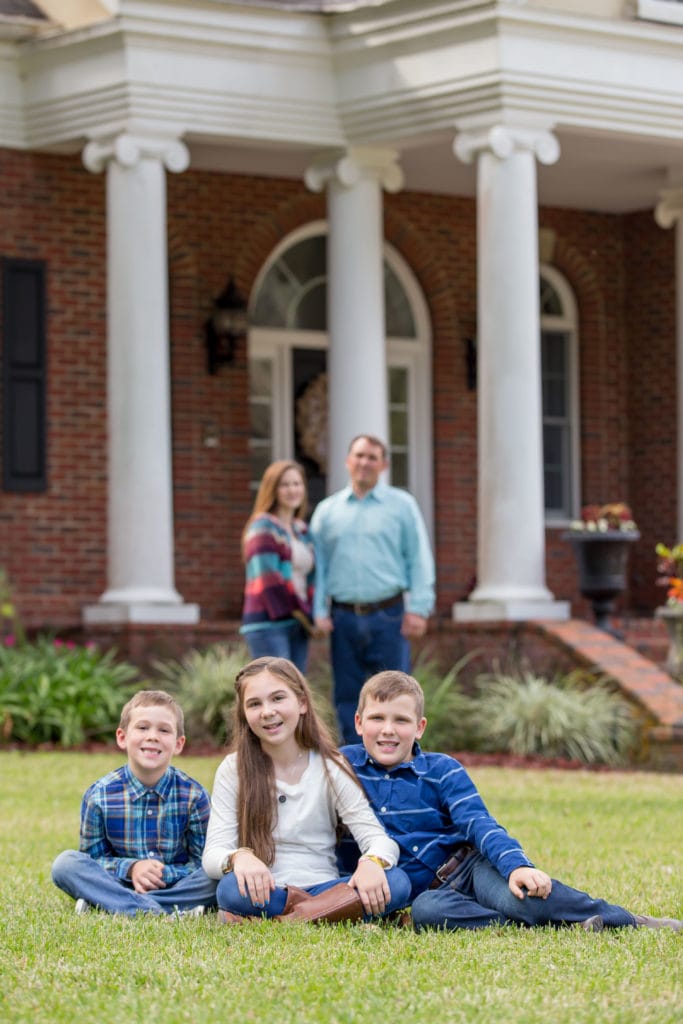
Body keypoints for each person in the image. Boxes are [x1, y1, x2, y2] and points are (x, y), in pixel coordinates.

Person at [341, 670, 682, 933]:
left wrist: (518, 866)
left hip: (467, 869)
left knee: (522, 899)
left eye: (401, 720)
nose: (388, 730)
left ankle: (625, 919)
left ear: (420, 728)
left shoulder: (441, 769)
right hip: (426, 895)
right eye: (377, 718)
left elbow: (480, 824)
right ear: (358, 723)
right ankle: (527, 927)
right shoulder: (341, 768)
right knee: (428, 914)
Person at [202, 656, 411, 924]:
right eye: (255, 704)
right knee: (230, 890)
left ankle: (289, 920)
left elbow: (378, 839)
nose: (267, 711)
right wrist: (239, 858)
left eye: (278, 698)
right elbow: (213, 855)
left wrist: (372, 861)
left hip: (328, 887)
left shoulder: (329, 765)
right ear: (244, 713)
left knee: (396, 881)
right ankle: (335, 915)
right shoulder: (234, 769)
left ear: (302, 703)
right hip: (270, 891)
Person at [310, 434, 435, 743]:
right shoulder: (327, 512)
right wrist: (318, 611)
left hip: (389, 614)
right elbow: (319, 567)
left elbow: (418, 557)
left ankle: (400, 762)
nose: (365, 463)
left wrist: (419, 607)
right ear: (347, 461)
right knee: (347, 695)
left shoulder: (402, 506)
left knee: (396, 694)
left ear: (384, 465)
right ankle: (353, 766)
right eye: (359, 456)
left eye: (372, 457)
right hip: (343, 617)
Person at [51, 689, 218, 916]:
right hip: (118, 883)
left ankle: (117, 905)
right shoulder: (99, 795)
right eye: (142, 727)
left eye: (164, 730)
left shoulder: (194, 796)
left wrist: (163, 874)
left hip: (177, 885)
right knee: (66, 864)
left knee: (218, 876)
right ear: (122, 737)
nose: (152, 736)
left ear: (178, 744)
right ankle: (162, 910)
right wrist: (132, 869)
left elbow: (203, 862)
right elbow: (94, 860)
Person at [240, 460, 316, 673]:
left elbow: (310, 577)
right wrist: (305, 613)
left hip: (297, 622)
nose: (292, 490)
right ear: (272, 489)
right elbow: (269, 582)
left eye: (297, 483)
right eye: (285, 485)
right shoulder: (263, 527)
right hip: (268, 623)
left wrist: (310, 614)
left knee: (294, 691)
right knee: (276, 688)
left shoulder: (301, 530)